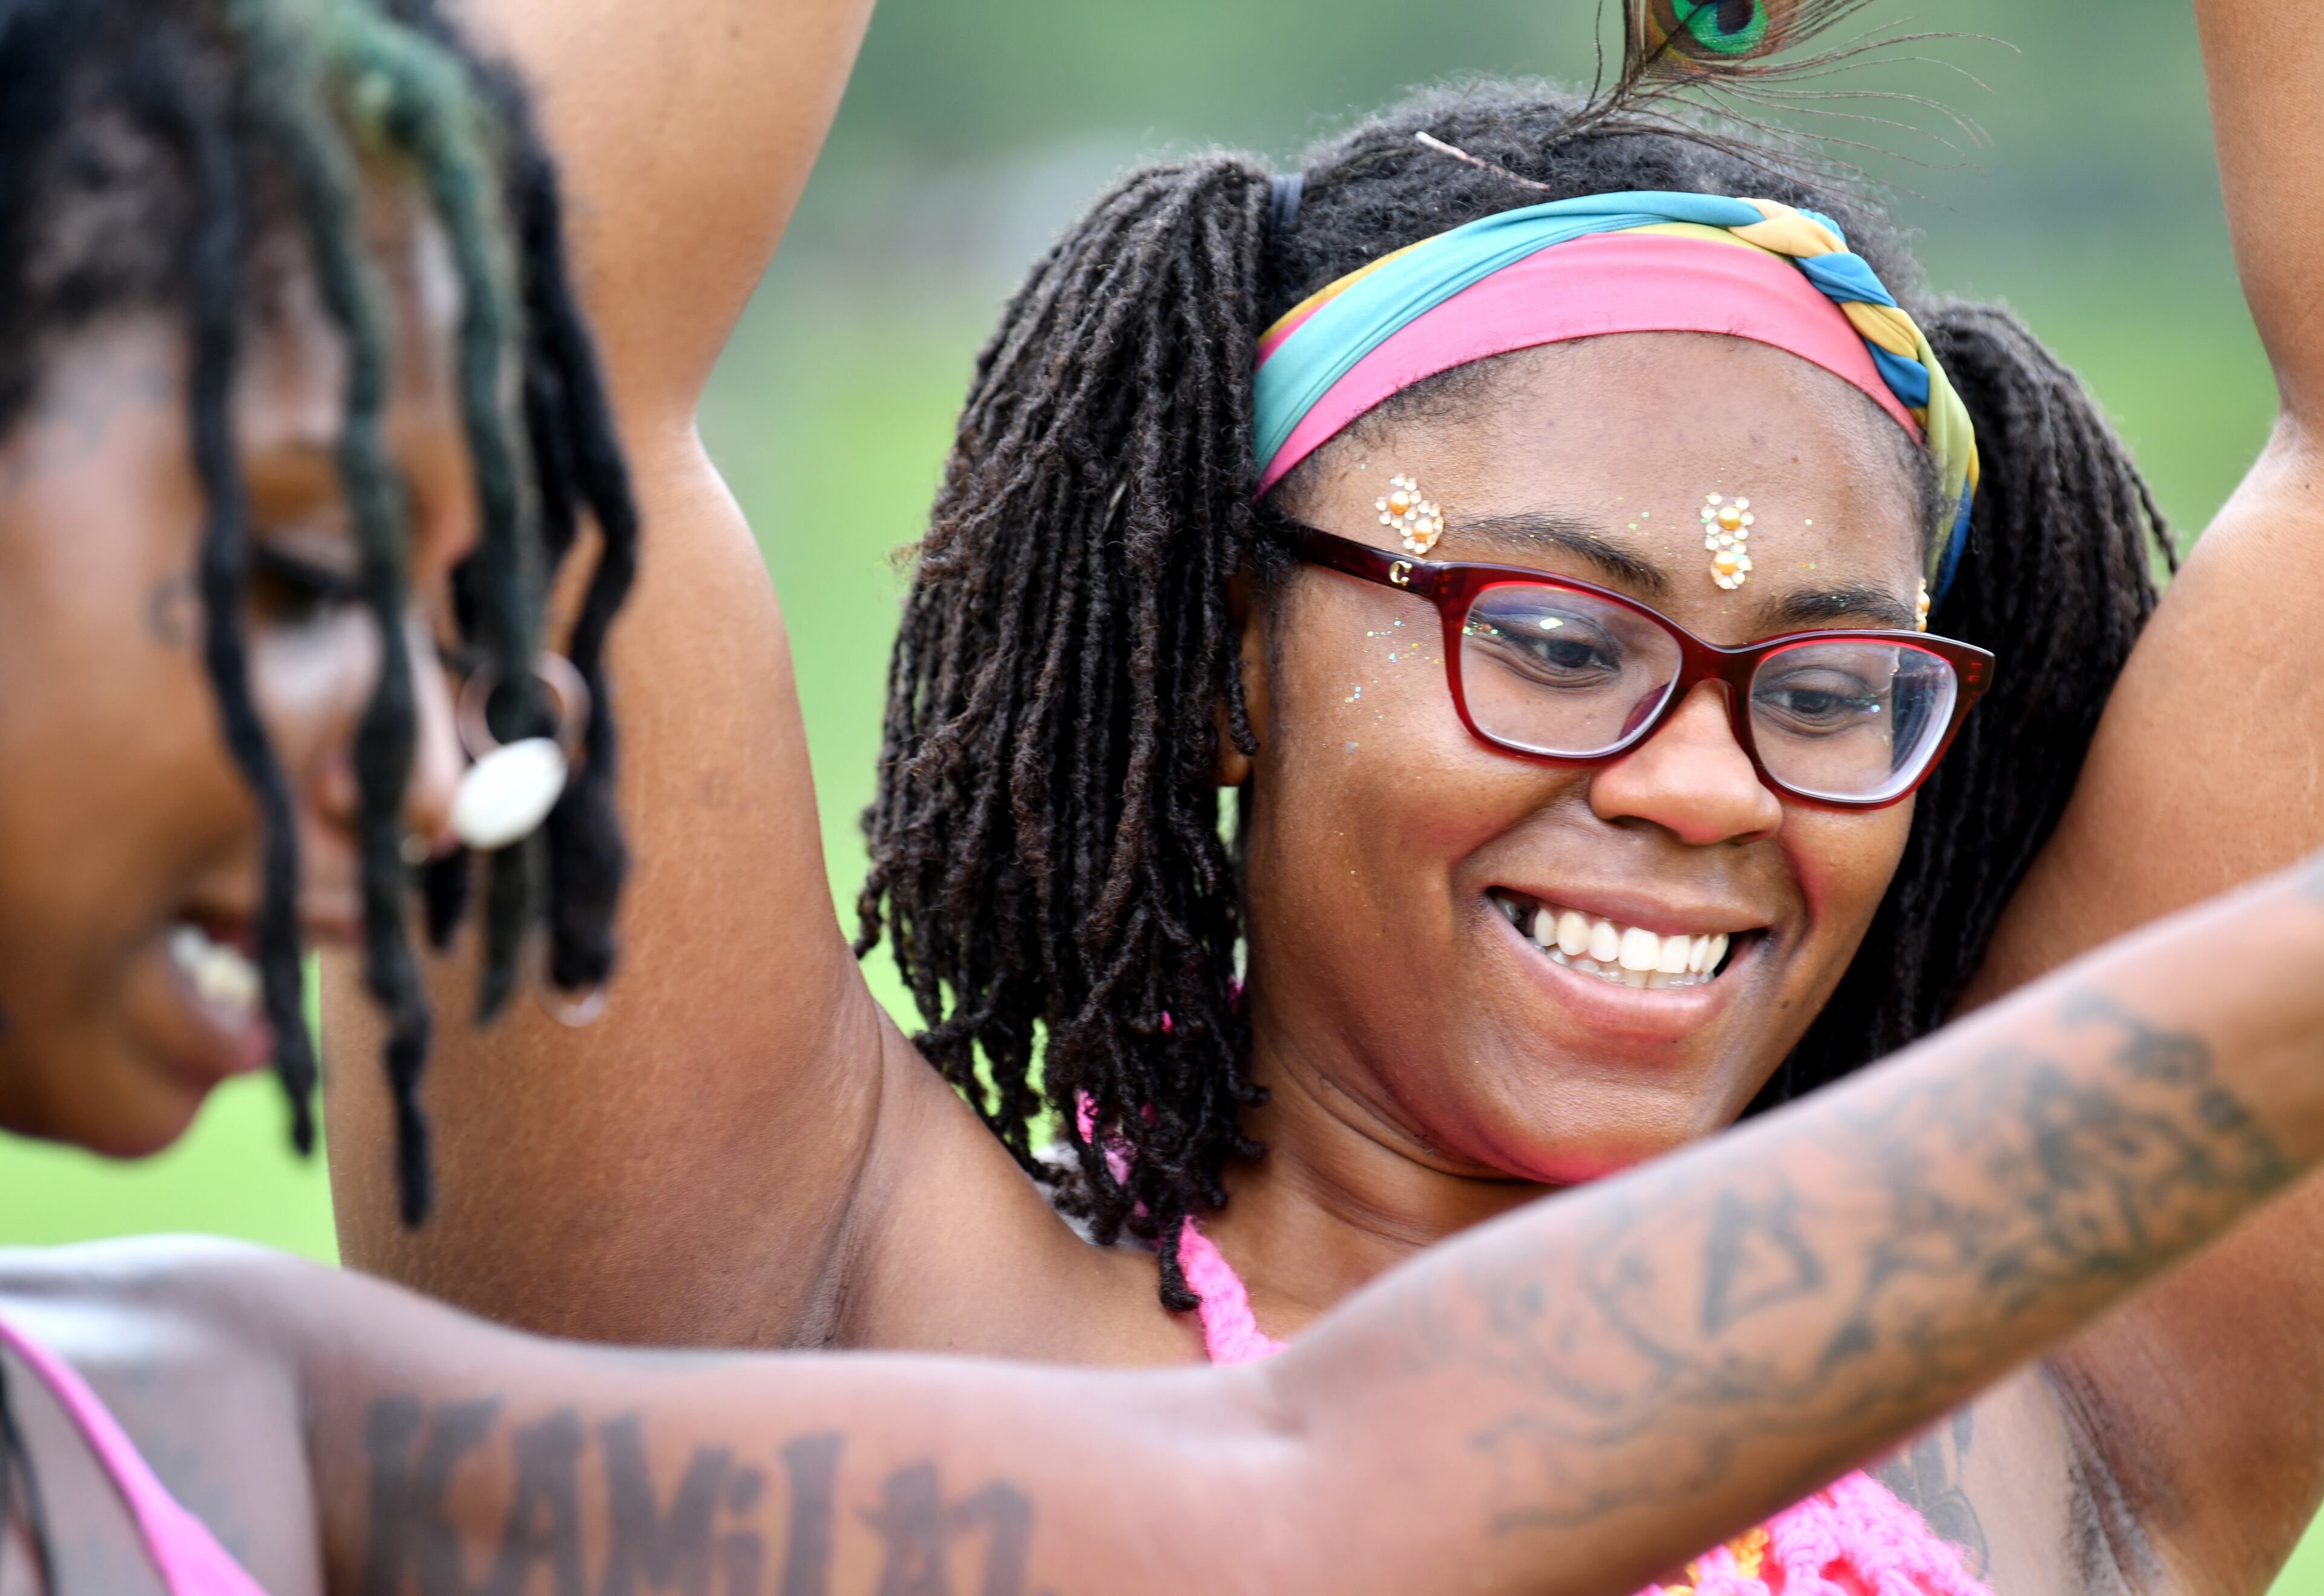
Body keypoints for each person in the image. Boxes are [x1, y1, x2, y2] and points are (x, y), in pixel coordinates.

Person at [28, 2, 2324, 1594]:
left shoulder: (2056, 1380)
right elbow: (545, 368)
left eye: (1827, 690)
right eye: (1553, 645)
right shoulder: (819, 1299)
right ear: (1227, 654)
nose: (1709, 783)